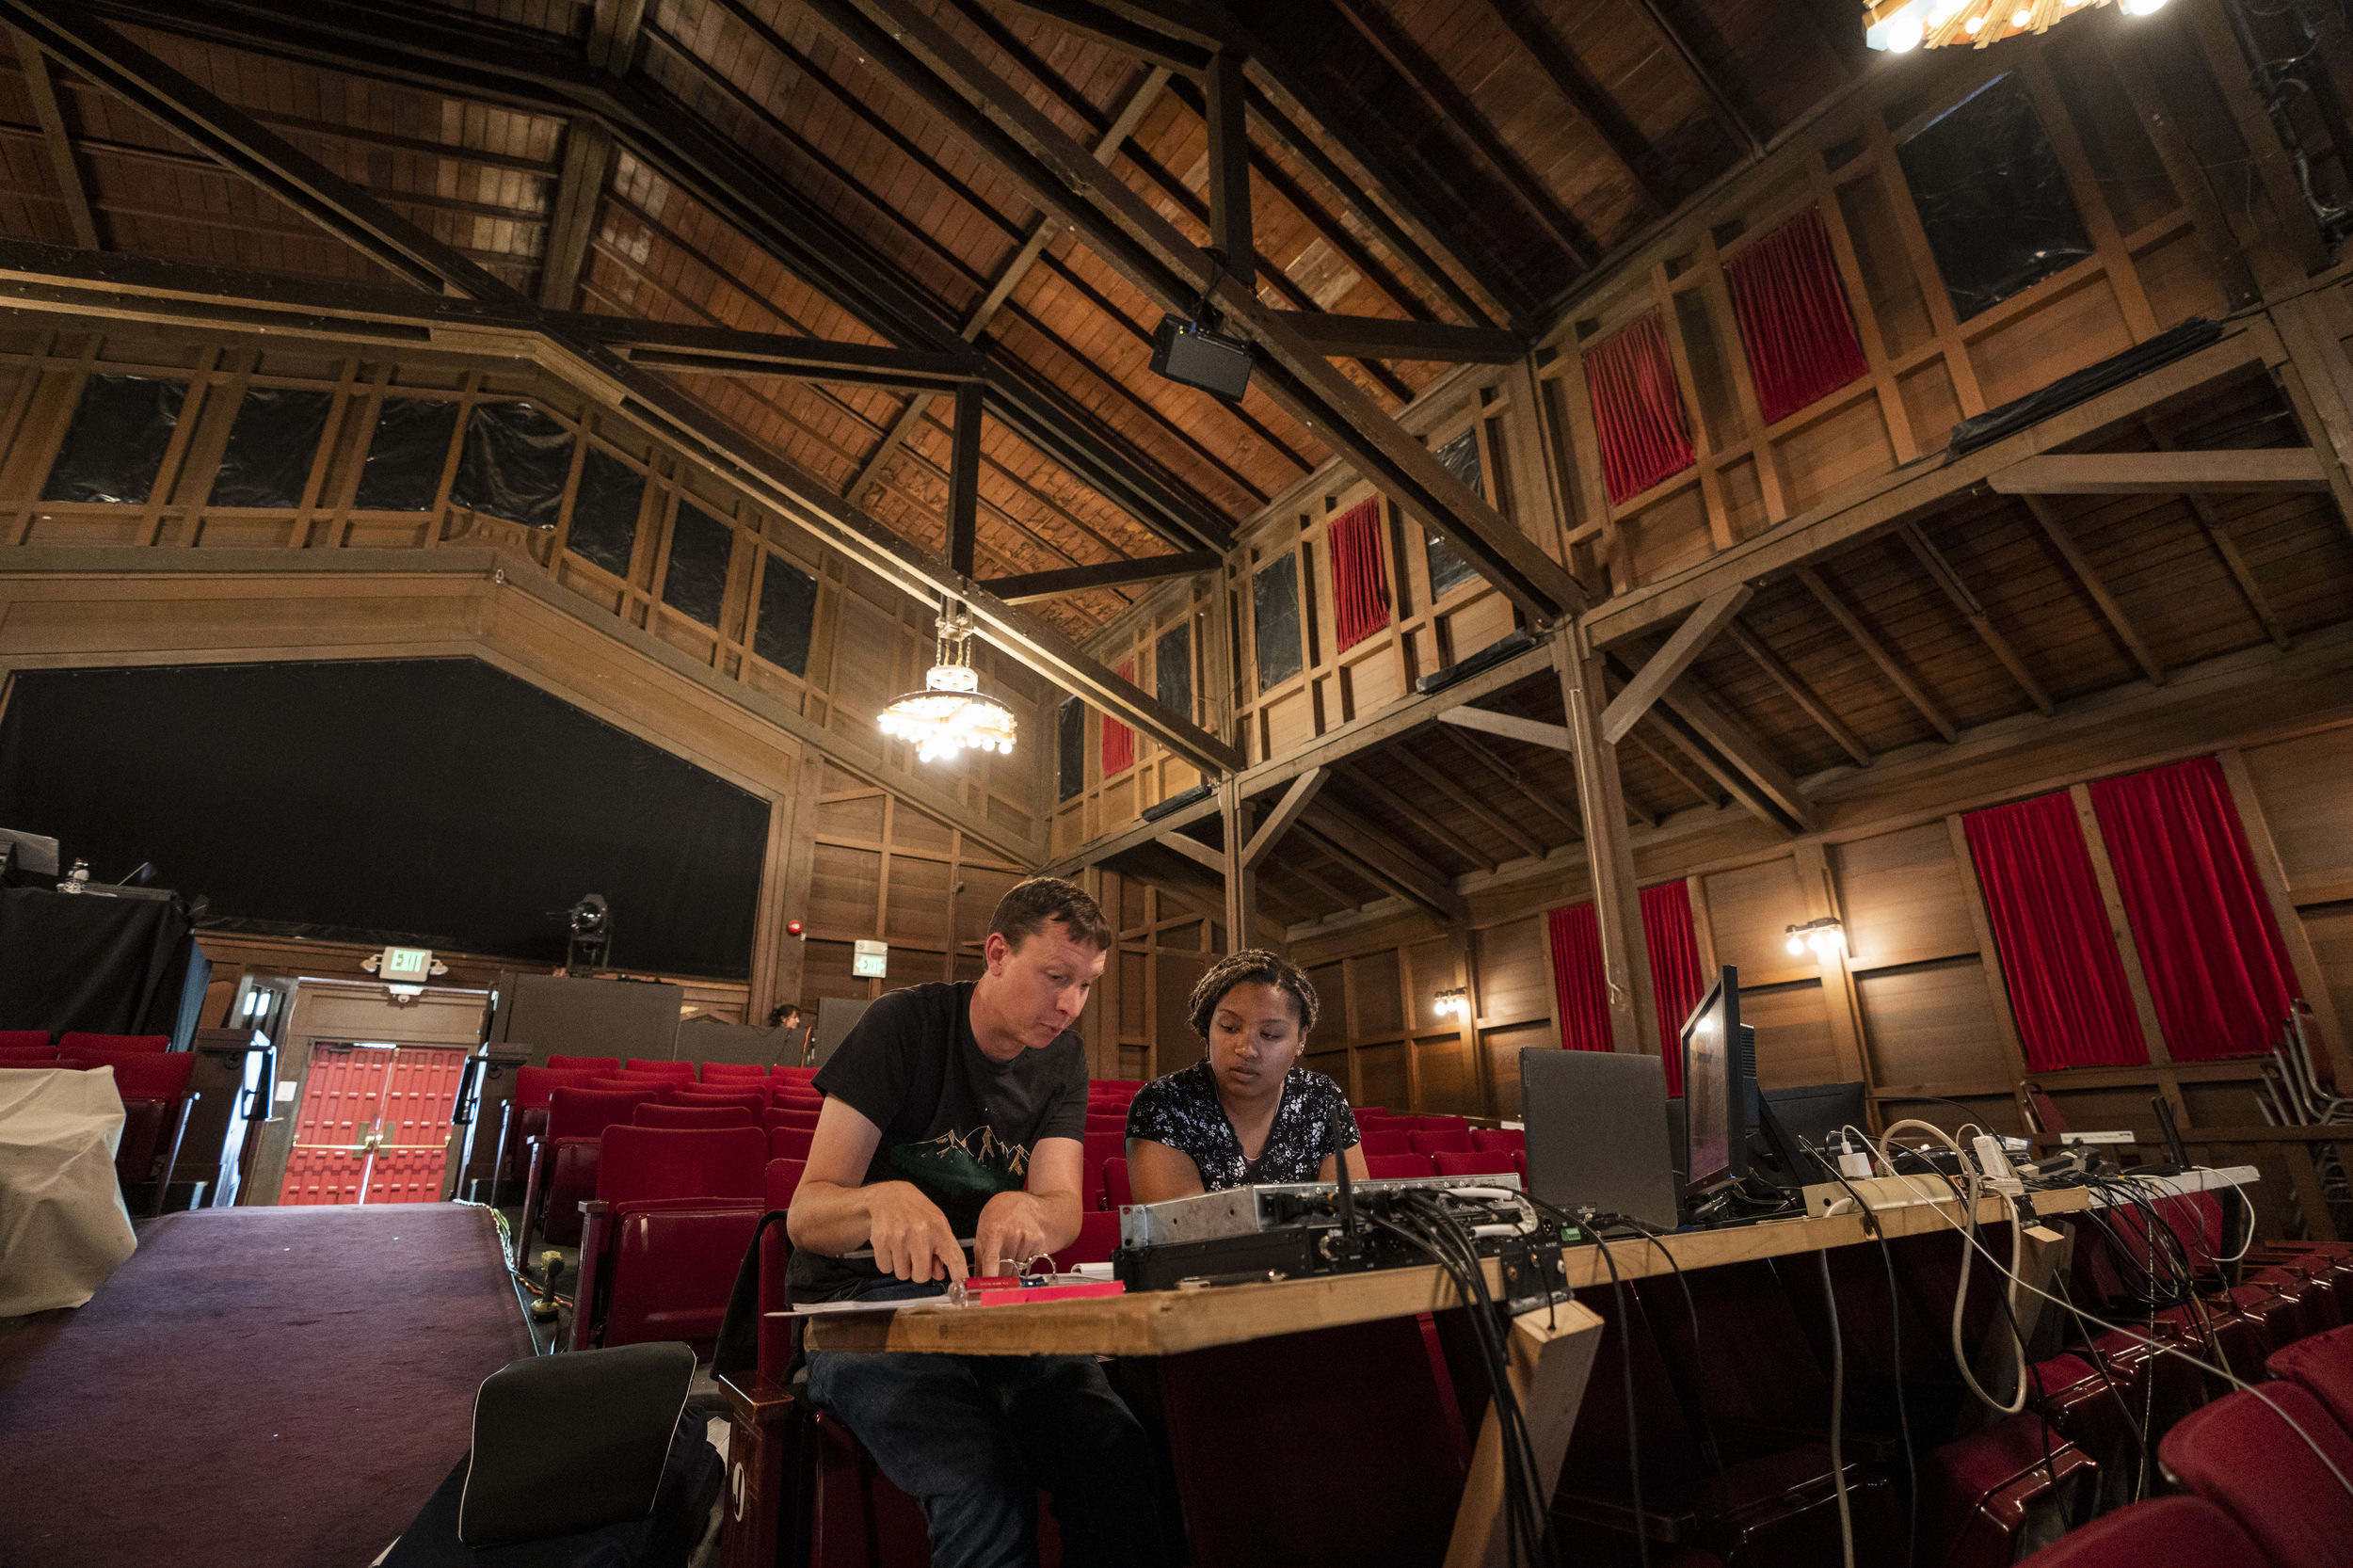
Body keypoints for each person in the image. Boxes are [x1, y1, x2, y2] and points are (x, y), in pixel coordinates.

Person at [785, 876, 1166, 1568]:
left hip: (993, 1306)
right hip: (866, 1310)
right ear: (996, 953)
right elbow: (807, 1214)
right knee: (980, 1482)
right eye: (1055, 977)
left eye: (1086, 985)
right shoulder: (904, 1025)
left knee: (1113, 1447)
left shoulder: (1063, 1060)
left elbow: (1062, 1210)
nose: (1070, 1005)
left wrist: (1028, 1209)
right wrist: (877, 1200)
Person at [1124, 949, 1367, 1202]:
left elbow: (1353, 1214)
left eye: (1270, 1034)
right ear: (1208, 1026)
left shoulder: (1320, 1097)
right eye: (1229, 1028)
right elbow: (1182, 1230)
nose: (1246, 1049)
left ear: (1301, 1038)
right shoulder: (1165, 1103)